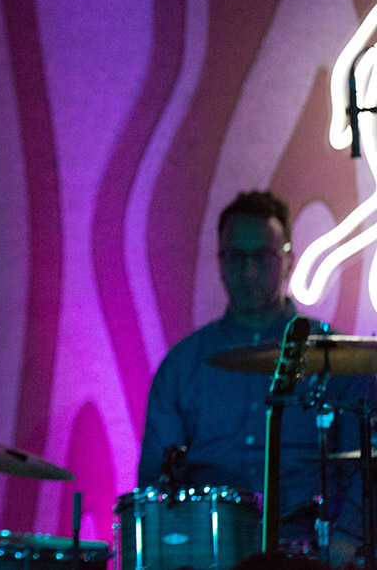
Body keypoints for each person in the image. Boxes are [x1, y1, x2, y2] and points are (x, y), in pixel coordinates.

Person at [138, 190, 376, 566]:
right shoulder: (182, 367)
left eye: (262, 257)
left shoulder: (338, 361)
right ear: (219, 262)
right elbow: (154, 485)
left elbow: (368, 467)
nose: (248, 271)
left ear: (288, 261)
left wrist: (347, 539)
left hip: (310, 552)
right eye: (236, 257)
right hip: (208, 551)